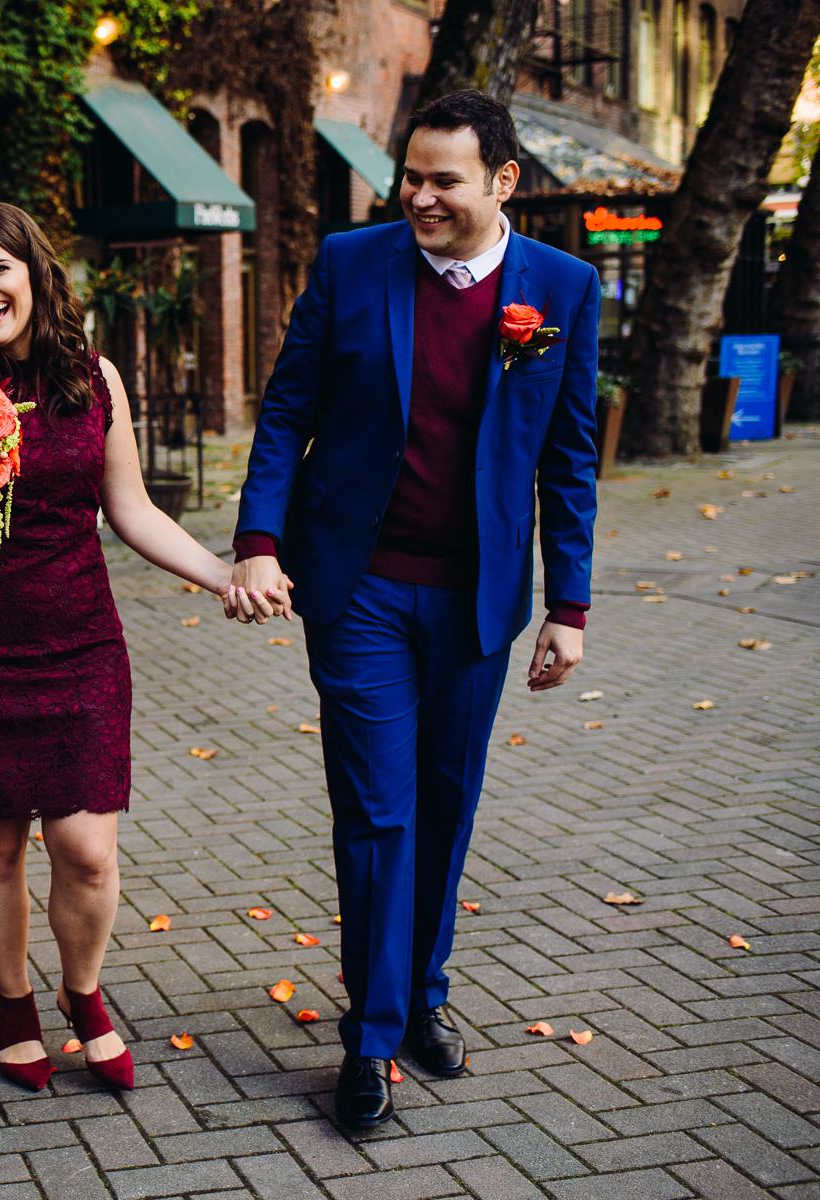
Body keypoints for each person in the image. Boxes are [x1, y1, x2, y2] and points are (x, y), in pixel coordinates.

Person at [226, 90, 598, 1126]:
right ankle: (371, 1036)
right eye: (412, 176)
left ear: (502, 183)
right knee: (378, 814)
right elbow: (288, 407)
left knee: (444, 808)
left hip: (479, 603)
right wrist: (259, 543)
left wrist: (569, 604)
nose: (420, 197)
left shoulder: (564, 286)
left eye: (444, 180)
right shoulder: (354, 264)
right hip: (359, 591)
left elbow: (569, 460)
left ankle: (423, 993)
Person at [0, 202, 277, 1092]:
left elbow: (130, 509)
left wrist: (223, 575)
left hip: (80, 644)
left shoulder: (93, 379)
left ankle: (84, 992)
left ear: (33, 270)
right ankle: (16, 1005)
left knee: (87, 848)